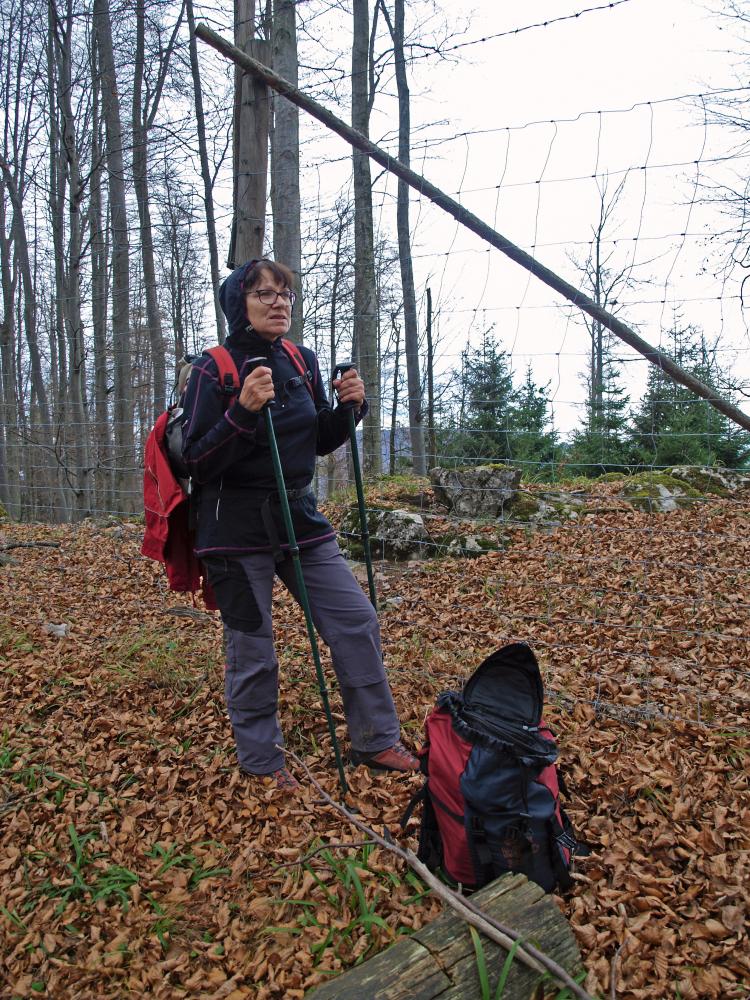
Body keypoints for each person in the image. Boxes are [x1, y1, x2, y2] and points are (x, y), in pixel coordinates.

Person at [181, 258, 418, 790]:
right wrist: (240, 411)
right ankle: (262, 760)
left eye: (284, 293)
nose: (278, 302)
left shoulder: (299, 360)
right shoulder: (211, 369)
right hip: (233, 530)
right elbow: (194, 462)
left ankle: (376, 739)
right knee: (254, 647)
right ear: (238, 304)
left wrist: (348, 412)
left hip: (300, 519)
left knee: (357, 621)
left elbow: (314, 442)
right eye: (264, 293)